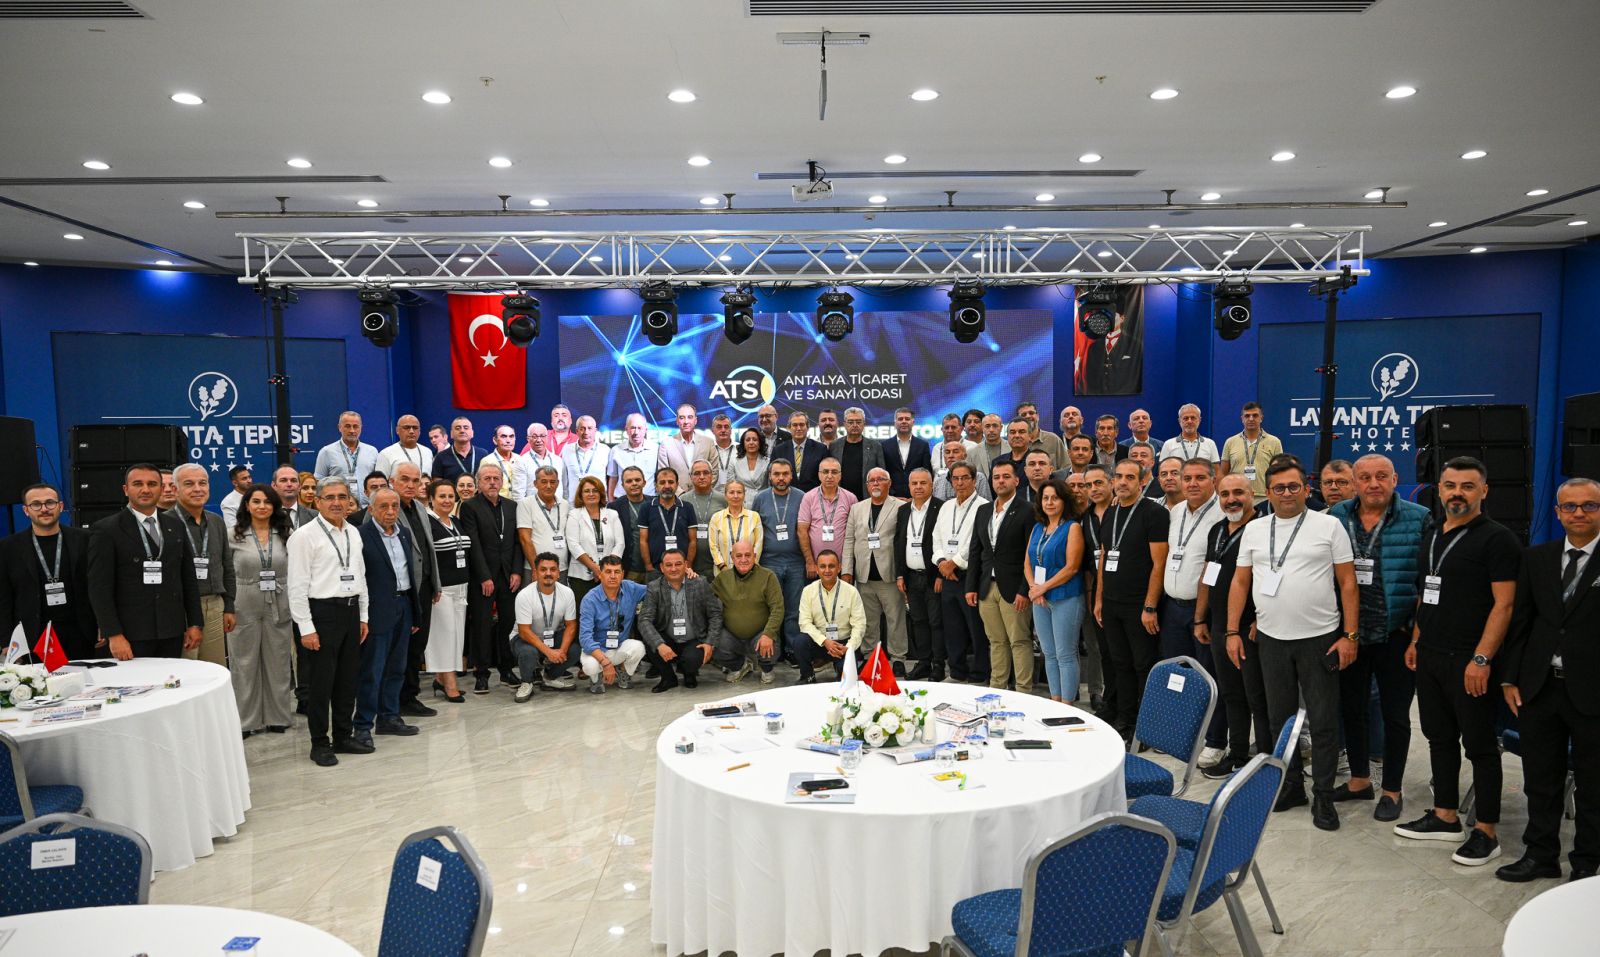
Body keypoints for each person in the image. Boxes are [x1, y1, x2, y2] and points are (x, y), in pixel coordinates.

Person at [1395, 457, 1520, 864]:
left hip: (1470, 659)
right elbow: (1426, 593)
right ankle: (1445, 815)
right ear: (1440, 489)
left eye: (1467, 486)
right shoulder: (1433, 532)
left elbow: (1504, 605)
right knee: (1439, 737)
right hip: (1430, 654)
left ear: (1484, 491)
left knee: (1480, 746)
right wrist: (1417, 640)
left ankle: (1486, 830)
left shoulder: (1498, 539)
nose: (1457, 493)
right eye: (1450, 485)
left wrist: (1482, 658)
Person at [1227, 459, 1359, 831]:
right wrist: (1232, 631)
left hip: (1320, 639)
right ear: (1267, 493)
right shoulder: (1255, 529)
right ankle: (1291, 787)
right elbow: (1240, 582)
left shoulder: (1329, 526)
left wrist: (1350, 636)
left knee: (1323, 721)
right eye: (1279, 488)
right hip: (1271, 639)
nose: (1287, 493)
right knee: (1279, 720)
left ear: (1306, 489)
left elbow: (1348, 583)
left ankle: (1324, 796)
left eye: (1293, 486)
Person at [1497, 478, 1600, 883]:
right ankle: (1540, 855)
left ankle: (1587, 861)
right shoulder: (1536, 558)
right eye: (1570, 506)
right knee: (1540, 780)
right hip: (1540, 688)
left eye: (1589, 505)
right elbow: (1521, 622)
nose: (1579, 513)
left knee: (1593, 783)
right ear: (1557, 513)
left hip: (1593, 691)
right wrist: (1509, 678)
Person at [1327, 454, 1430, 821]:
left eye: (1382, 476)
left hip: (1396, 634)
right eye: (1366, 477)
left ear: (1395, 479)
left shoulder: (1419, 518)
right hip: (1350, 633)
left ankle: (1392, 789)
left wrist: (1416, 638)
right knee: (1351, 709)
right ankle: (1359, 780)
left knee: (1395, 715)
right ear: (1355, 482)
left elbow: (1428, 583)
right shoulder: (1336, 516)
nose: (1374, 484)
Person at [286, 477, 369, 767]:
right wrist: (306, 628)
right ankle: (319, 743)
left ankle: (343, 736)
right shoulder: (304, 536)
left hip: (350, 611)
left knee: (347, 680)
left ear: (349, 501)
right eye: (330, 497)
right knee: (321, 684)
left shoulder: (354, 532)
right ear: (317, 501)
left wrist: (363, 616)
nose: (336, 502)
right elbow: (296, 587)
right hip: (321, 613)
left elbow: (360, 576)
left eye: (342, 497)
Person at [1194, 474, 1269, 778]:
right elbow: (1207, 575)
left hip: (1250, 628)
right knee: (1231, 694)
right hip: (1219, 626)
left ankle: (1263, 760)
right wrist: (1200, 617)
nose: (1231, 499)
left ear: (1253, 494)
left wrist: (1261, 618)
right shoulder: (1217, 530)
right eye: (1224, 494)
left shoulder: (1264, 528)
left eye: (1238, 492)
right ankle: (1238, 755)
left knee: (1257, 698)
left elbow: (1273, 577)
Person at [87, 463, 203, 660]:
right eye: (138, 484)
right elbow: (99, 588)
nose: (146, 489)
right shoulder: (106, 529)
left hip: (171, 630)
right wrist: (113, 634)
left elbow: (188, 578)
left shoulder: (176, 526)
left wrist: (194, 623)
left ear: (162, 488)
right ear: (126, 489)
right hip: (130, 633)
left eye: (152, 484)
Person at [1094, 459, 1170, 736]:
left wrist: (1150, 606)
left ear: (1142, 482)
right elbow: (1105, 557)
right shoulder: (1111, 512)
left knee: (1143, 665)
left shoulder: (1154, 513)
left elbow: (1159, 563)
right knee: (1120, 663)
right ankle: (1125, 719)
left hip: (1139, 604)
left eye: (1130, 477)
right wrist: (1099, 599)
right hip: (1111, 603)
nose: (1123, 482)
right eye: (1119, 477)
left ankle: (1146, 725)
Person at [1164, 459, 1226, 758]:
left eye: (1200, 477)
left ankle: (1214, 741)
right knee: (1178, 674)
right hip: (1173, 608)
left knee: (1209, 677)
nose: (1192, 483)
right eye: (1187, 477)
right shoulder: (1176, 511)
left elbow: (1212, 570)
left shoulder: (1221, 514)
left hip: (1204, 611)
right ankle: (1180, 732)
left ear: (1213, 480)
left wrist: (1201, 616)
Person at [354, 489, 421, 746]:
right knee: (372, 671)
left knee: (396, 667)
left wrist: (414, 612)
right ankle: (362, 725)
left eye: (395, 506)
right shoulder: (361, 536)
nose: (391, 511)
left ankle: (389, 717)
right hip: (377, 610)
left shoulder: (404, 533)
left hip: (403, 606)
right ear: (371, 509)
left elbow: (409, 573)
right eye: (384, 506)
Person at [0, 484, 97, 660]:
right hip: (32, 636)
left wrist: (103, 626)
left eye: (50, 503)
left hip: (81, 633)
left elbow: (98, 586)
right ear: (26, 510)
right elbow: (4, 598)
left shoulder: (85, 540)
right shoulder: (8, 548)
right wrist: (6, 641)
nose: (44, 509)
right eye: (36, 504)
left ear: (60, 506)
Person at [229, 484, 294, 736]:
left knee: (278, 658)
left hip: (279, 598)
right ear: (247, 505)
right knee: (244, 662)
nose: (262, 506)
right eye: (256, 501)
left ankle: (278, 716)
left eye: (267, 502)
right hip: (244, 599)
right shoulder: (233, 535)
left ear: (275, 506)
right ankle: (246, 720)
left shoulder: (286, 534)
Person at [967, 460, 1036, 693]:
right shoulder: (983, 510)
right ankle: (997, 688)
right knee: (996, 641)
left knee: (1019, 641)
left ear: (1016, 480)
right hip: (987, 587)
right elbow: (976, 551)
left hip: (1014, 588)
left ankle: (1024, 691)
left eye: (1006, 476)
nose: (1001, 481)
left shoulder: (1027, 510)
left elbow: (1030, 554)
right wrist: (971, 586)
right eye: (996, 477)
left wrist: (1025, 590)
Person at [458, 461, 522, 693]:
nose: (493, 482)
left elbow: (517, 542)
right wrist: (484, 576)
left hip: (508, 576)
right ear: (478, 483)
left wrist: (516, 571)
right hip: (482, 578)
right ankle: (482, 673)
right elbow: (473, 544)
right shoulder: (470, 507)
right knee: (482, 626)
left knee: (507, 624)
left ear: (502, 481)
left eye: (496, 478)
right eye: (487, 479)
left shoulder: (512, 506)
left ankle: (506, 669)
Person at [1025, 478, 1086, 703]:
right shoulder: (1037, 528)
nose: (1049, 502)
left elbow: (1072, 567)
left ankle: (1068, 706)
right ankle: (1055, 701)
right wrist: (1034, 588)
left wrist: (1042, 588)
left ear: (1064, 501)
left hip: (1065, 597)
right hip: (1040, 599)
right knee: (1048, 653)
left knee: (1065, 654)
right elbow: (1027, 562)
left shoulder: (1072, 527)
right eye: (1045, 498)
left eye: (1055, 498)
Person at [170, 463, 236, 666]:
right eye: (189, 484)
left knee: (215, 670)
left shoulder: (216, 521)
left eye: (202, 483)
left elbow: (227, 565)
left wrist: (229, 606)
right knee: (185, 670)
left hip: (215, 605)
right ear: (175, 489)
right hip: (181, 610)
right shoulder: (166, 523)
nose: (197, 489)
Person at [843, 467, 908, 673]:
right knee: (868, 620)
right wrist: (847, 570)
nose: (876, 483)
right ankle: (871, 657)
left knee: (895, 619)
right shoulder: (857, 508)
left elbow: (903, 540)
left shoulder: (900, 507)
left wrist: (902, 573)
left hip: (889, 573)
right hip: (864, 575)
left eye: (881, 479)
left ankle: (898, 658)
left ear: (889, 483)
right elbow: (849, 540)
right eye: (872, 480)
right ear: (867, 485)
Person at [932, 463, 988, 683]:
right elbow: (936, 537)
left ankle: (980, 673)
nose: (960, 483)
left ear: (974, 480)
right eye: (955, 478)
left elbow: (976, 541)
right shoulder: (946, 507)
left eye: (965, 478)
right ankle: (957, 671)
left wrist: (954, 563)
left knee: (976, 628)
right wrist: (941, 562)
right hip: (947, 575)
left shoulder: (984, 507)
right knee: (952, 627)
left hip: (969, 575)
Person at [390, 462, 439, 719]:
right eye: (404, 479)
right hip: (401, 590)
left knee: (417, 645)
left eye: (415, 480)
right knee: (401, 647)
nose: (411, 485)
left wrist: (435, 583)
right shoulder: (386, 507)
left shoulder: (420, 507)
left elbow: (428, 549)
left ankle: (410, 696)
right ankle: (396, 700)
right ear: (392, 481)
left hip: (424, 587)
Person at [637, 548, 722, 693]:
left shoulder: (700, 583)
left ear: (686, 565)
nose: (673, 568)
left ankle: (689, 673)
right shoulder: (654, 587)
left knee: (692, 660)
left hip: (694, 639)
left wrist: (709, 643)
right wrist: (659, 644)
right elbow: (644, 619)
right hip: (668, 639)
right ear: (662, 568)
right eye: (668, 565)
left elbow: (715, 614)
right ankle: (668, 678)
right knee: (650, 640)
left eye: (678, 564)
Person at [752, 459, 808, 676]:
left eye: (785, 474)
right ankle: (773, 650)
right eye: (776, 474)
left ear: (791, 475)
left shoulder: (802, 497)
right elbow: (755, 528)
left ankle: (792, 650)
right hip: (769, 561)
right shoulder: (761, 498)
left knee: (794, 608)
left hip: (795, 561)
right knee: (772, 608)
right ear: (770, 476)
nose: (781, 478)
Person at [712, 540, 786, 684]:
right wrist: (689, 576)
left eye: (748, 555)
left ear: (755, 556)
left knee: (771, 646)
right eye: (739, 556)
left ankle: (766, 669)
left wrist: (768, 634)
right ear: (732, 557)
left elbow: (778, 608)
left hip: (760, 634)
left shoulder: (768, 576)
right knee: (714, 642)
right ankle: (739, 666)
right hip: (732, 637)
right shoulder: (722, 578)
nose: (744, 559)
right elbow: (705, 595)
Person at [424, 479, 471, 703]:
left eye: (451, 496)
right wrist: (433, 586)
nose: (447, 500)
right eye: (442, 496)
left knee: (456, 636)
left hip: (461, 588)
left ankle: (441, 680)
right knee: (443, 637)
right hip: (441, 590)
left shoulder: (455, 521)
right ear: (431, 499)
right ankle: (450, 683)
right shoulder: (427, 523)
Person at [896, 468, 945, 681]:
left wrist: (941, 575)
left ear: (931, 485)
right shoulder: (903, 510)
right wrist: (900, 575)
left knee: (936, 622)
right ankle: (923, 663)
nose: (918, 487)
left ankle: (938, 664)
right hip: (911, 576)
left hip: (933, 575)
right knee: (918, 621)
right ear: (909, 486)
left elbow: (944, 543)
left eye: (923, 483)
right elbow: (899, 543)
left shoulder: (941, 508)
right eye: (914, 483)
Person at [511, 552, 579, 702]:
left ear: (558, 573)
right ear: (535, 572)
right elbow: (524, 631)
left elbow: (571, 625)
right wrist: (549, 652)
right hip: (524, 638)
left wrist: (562, 651)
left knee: (574, 650)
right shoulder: (525, 595)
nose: (548, 573)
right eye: (543, 569)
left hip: (551, 636)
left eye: (553, 569)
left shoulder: (567, 593)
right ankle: (527, 682)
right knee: (528, 652)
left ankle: (549, 677)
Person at [576, 555, 647, 693]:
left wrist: (683, 575)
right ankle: (596, 678)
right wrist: (606, 663)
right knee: (590, 666)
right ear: (600, 574)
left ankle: (622, 671)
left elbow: (655, 589)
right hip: (597, 650)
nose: (613, 576)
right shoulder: (589, 599)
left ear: (622, 574)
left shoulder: (631, 588)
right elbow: (585, 638)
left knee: (639, 648)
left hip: (619, 647)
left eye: (617, 572)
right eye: (608, 572)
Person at [1078, 464, 1114, 715]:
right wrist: (1091, 596)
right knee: (1095, 646)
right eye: (1088, 485)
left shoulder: (1121, 511)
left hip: (1123, 590)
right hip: (1094, 590)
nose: (1093, 489)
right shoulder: (1085, 519)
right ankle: (1097, 693)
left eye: (1098, 483)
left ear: (1111, 483)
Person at [799, 549, 867, 677]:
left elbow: (859, 625)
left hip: (843, 644)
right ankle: (808, 676)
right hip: (820, 643)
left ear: (839, 568)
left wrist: (849, 647)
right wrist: (825, 641)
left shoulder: (851, 591)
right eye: (822, 566)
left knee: (845, 680)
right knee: (800, 642)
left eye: (831, 566)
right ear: (817, 569)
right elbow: (804, 623)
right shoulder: (808, 591)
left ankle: (839, 666)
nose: (827, 570)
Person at [568, 475, 625, 606]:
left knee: (608, 611)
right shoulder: (574, 514)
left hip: (609, 574)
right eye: (587, 491)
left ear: (601, 493)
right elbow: (573, 545)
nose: (591, 494)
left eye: (595, 490)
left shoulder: (612, 514)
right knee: (584, 611)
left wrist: (607, 568)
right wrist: (595, 568)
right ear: (580, 495)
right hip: (582, 575)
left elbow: (620, 543)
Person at [798, 458, 858, 581]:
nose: (830, 476)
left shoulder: (851, 498)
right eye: (825, 472)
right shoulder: (808, 497)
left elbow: (855, 534)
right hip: (816, 566)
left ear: (840, 475)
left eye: (834, 472)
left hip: (841, 566)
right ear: (819, 474)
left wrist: (847, 567)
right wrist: (810, 562)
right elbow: (802, 531)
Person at [639, 467, 699, 579]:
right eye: (662, 482)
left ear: (677, 484)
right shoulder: (646, 508)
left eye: (671, 482)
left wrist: (688, 564)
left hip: (682, 568)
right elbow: (643, 540)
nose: (667, 486)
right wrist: (648, 566)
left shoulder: (687, 507)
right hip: (655, 569)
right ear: (656, 486)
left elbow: (693, 540)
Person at [1219, 402, 1282, 505]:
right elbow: (1223, 473)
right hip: (1236, 496)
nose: (1251, 419)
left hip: (1265, 497)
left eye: (1255, 415)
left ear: (1261, 418)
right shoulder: (1230, 442)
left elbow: (1279, 473)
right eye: (1247, 416)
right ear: (1242, 419)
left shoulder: (1274, 442)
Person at [314, 411, 382, 507]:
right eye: (347, 426)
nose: (352, 430)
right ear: (339, 427)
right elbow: (319, 481)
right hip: (338, 506)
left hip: (367, 507)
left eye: (355, 426)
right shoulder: (327, 452)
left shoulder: (372, 451)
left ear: (361, 428)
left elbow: (378, 481)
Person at [518, 466, 572, 579]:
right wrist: (535, 569)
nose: (548, 486)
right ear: (535, 483)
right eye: (544, 482)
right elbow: (525, 539)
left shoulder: (565, 505)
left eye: (552, 482)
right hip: (536, 569)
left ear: (558, 483)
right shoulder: (526, 504)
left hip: (561, 568)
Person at [680, 461, 727, 580]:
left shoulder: (723, 499)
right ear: (690, 477)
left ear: (712, 475)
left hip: (718, 562)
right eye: (697, 473)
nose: (701, 477)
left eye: (705, 473)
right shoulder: (683, 500)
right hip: (690, 564)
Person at [828, 407, 884, 500]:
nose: (855, 425)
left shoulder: (875, 446)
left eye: (858, 422)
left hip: (867, 498)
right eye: (850, 422)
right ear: (844, 424)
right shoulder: (834, 446)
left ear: (864, 424)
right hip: (840, 499)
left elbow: (882, 474)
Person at [708, 480, 762, 574]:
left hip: (749, 572)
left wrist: (750, 566)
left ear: (744, 495)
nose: (735, 496)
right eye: (731, 492)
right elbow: (713, 546)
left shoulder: (754, 517)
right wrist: (723, 567)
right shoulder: (716, 518)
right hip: (723, 572)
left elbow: (758, 544)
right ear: (725, 495)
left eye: (739, 492)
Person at [608, 466, 651, 583]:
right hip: (628, 569)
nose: (634, 483)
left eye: (637, 480)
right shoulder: (614, 507)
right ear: (622, 485)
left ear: (644, 482)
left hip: (653, 568)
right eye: (629, 481)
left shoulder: (654, 503)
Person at [657, 403, 713, 490]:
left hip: (703, 494)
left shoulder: (708, 443)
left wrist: (701, 492)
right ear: (677, 421)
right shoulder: (666, 444)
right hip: (675, 496)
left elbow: (714, 473)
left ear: (695, 420)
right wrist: (681, 494)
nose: (686, 422)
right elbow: (663, 475)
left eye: (690, 417)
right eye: (682, 418)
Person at [881, 407, 933, 498]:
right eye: (900, 419)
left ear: (913, 422)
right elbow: (883, 472)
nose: (904, 421)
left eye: (907, 419)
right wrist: (891, 494)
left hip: (917, 496)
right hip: (892, 497)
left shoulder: (923, 445)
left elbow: (927, 472)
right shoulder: (884, 445)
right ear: (895, 423)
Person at [772, 411, 828, 492]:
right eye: (795, 425)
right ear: (789, 428)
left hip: (813, 496)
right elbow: (773, 476)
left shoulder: (821, 449)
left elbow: (825, 476)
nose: (798, 428)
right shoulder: (778, 450)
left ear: (808, 427)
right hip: (786, 495)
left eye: (802, 425)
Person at [607, 413, 659, 499]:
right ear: (626, 429)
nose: (636, 432)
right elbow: (613, 479)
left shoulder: (656, 450)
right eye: (633, 428)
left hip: (649, 501)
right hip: (622, 501)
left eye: (639, 428)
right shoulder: (616, 450)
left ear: (645, 430)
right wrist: (611, 502)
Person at [377, 414, 435, 481]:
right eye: (406, 427)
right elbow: (380, 482)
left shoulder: (427, 452)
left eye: (415, 428)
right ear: (397, 430)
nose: (411, 431)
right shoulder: (386, 454)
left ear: (419, 431)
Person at [561, 415, 611, 493]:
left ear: (595, 431)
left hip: (598, 499)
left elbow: (611, 479)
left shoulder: (605, 450)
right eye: (582, 429)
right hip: (574, 499)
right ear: (577, 431)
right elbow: (564, 478)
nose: (586, 432)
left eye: (589, 428)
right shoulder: (567, 450)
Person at [431, 416, 488, 483]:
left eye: (466, 428)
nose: (462, 431)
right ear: (451, 434)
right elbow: (437, 485)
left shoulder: (483, 454)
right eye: (458, 428)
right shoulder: (441, 457)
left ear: (472, 433)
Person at [488, 425, 532, 500]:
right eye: (504, 436)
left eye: (511, 436)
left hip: (519, 503)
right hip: (497, 504)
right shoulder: (488, 461)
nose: (508, 440)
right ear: (495, 440)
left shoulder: (520, 459)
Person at [524, 423, 567, 501]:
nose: (539, 440)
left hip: (557, 505)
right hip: (533, 507)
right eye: (534, 436)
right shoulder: (522, 461)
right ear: (528, 439)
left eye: (542, 436)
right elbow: (519, 493)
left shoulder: (558, 460)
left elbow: (564, 488)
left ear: (547, 438)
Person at [1017, 401, 1065, 470]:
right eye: (1023, 415)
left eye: (1031, 413)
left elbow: (1066, 467)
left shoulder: (1053, 440)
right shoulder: (1015, 443)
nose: (1028, 416)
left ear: (1037, 416)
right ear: (1018, 420)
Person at [731, 427, 772, 493]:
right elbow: (731, 486)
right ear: (743, 444)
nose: (751, 442)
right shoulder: (734, 462)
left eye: (755, 440)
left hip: (762, 498)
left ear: (760, 443)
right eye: (748, 440)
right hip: (741, 498)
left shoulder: (768, 462)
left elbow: (771, 486)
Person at [706, 414, 739, 491]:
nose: (723, 430)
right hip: (713, 494)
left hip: (736, 493)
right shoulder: (707, 449)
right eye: (719, 427)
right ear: (712, 430)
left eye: (726, 427)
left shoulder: (740, 448)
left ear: (731, 430)